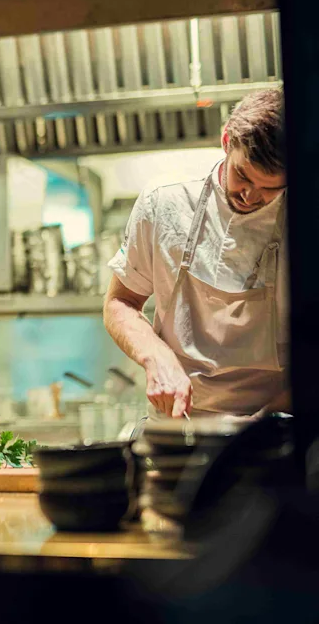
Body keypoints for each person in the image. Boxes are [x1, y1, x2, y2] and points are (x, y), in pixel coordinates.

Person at [104, 89, 288, 419]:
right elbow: (120, 303)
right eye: (242, 176)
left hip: (278, 427)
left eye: (269, 189)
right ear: (226, 140)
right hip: (180, 423)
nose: (249, 195)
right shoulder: (164, 201)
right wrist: (155, 356)